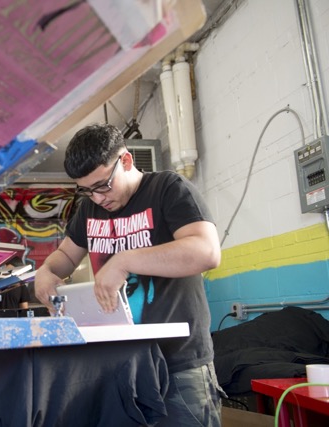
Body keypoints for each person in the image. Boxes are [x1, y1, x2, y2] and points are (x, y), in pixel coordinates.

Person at [34, 123, 224, 427]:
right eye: (86, 190)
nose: (97, 198)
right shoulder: (89, 210)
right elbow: (66, 256)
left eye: (102, 186)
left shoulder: (168, 189)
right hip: (117, 367)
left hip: (178, 365)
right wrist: (46, 271)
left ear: (125, 161)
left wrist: (124, 261)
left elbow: (207, 252)